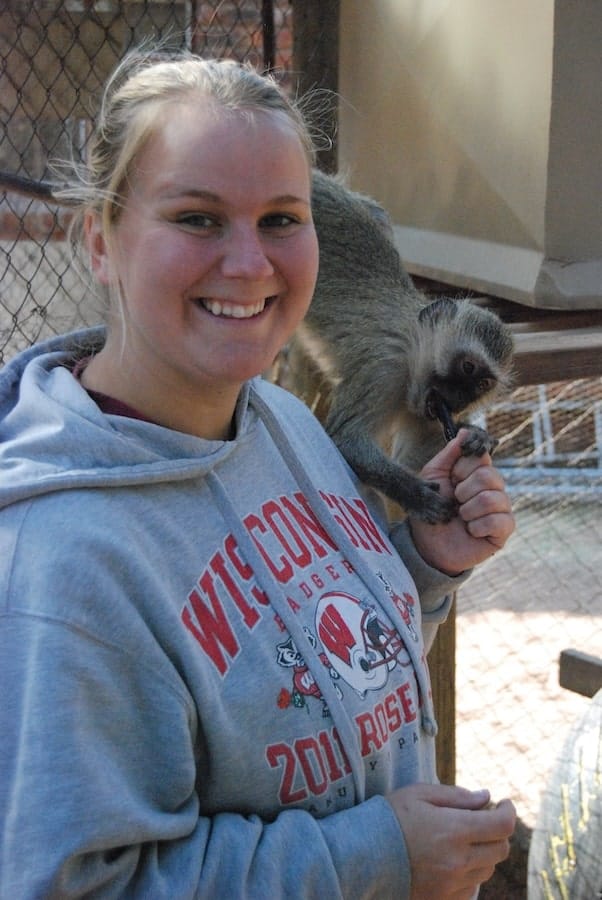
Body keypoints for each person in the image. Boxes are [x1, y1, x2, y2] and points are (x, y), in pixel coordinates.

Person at [0, 50, 516, 899]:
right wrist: (377, 858)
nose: (248, 263)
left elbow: (304, 675)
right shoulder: (60, 563)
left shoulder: (281, 420)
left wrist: (423, 568)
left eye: (281, 218)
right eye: (197, 218)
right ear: (100, 241)